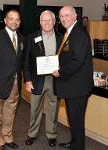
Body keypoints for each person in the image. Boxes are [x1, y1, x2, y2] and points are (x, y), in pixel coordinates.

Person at [53, 5, 93, 150]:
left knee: (76, 120)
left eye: (67, 15)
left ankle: (78, 146)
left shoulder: (79, 34)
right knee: (73, 120)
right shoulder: (70, 32)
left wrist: (60, 72)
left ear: (75, 16)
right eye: (61, 16)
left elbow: (77, 60)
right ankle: (74, 143)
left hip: (78, 88)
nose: (64, 19)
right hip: (72, 86)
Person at [0, 10, 25, 150]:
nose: (14, 22)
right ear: (5, 21)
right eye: (11, 19)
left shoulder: (21, 38)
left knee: (10, 113)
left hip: (14, 83)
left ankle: (7, 137)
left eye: (17, 19)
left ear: (19, 22)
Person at [24, 10, 62, 147]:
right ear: (40, 22)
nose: (46, 23)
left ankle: (51, 134)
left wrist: (61, 70)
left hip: (55, 80)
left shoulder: (62, 38)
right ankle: (32, 134)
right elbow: (26, 61)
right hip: (36, 80)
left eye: (49, 20)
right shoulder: (31, 38)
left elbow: (66, 60)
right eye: (43, 20)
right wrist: (27, 80)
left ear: (54, 22)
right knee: (35, 109)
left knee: (53, 108)